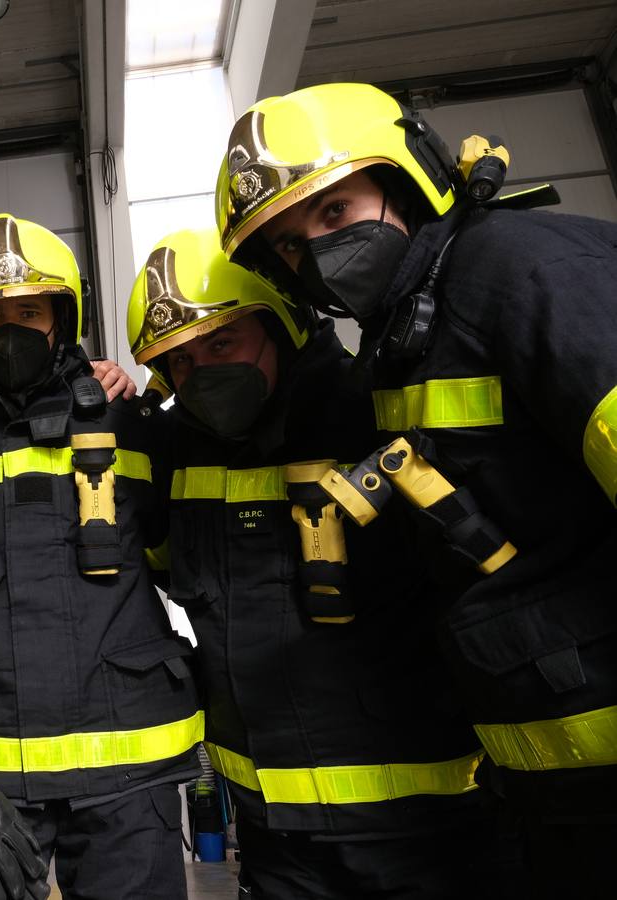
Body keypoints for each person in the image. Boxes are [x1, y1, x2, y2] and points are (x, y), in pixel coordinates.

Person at [216, 81, 617, 895]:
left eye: (333, 213)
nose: (322, 253)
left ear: (406, 179)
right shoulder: (406, 342)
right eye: (293, 245)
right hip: (558, 791)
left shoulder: (521, 270)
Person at [129, 227, 502, 899]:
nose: (201, 375)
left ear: (285, 322)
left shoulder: (376, 415)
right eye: (178, 364)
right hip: (275, 837)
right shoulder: (178, 456)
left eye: (222, 343)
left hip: (422, 827)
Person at [0, 213, 202, 900]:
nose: (9, 331)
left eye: (30, 311)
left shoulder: (131, 426)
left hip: (131, 765)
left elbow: (182, 560)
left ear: (61, 318)